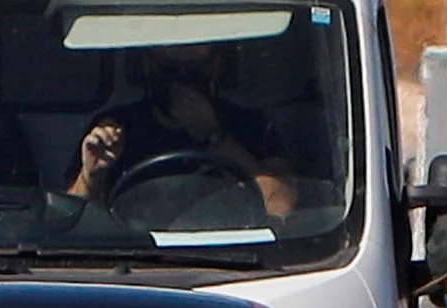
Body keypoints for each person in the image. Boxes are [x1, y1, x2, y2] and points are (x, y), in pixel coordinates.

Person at [67, 45, 301, 215]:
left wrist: (214, 137)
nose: (181, 77)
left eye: (194, 66)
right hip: (136, 255)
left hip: (229, 252)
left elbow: (280, 206)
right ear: (148, 66)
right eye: (170, 66)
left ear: (216, 66)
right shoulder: (115, 128)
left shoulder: (251, 125)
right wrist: (91, 175)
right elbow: (71, 218)